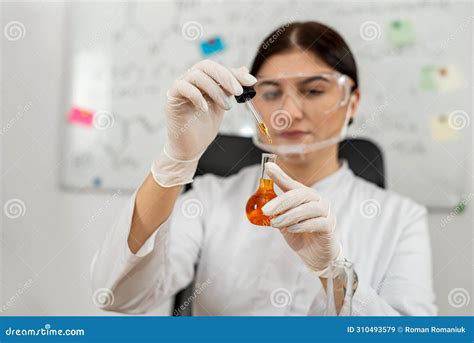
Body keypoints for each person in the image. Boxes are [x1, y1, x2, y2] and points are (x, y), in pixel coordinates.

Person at [91, 21, 437, 316]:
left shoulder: (401, 218)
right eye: (271, 94)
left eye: (313, 90)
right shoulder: (211, 198)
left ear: (353, 101)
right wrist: (176, 159)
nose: (288, 111)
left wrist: (334, 272)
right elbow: (118, 295)